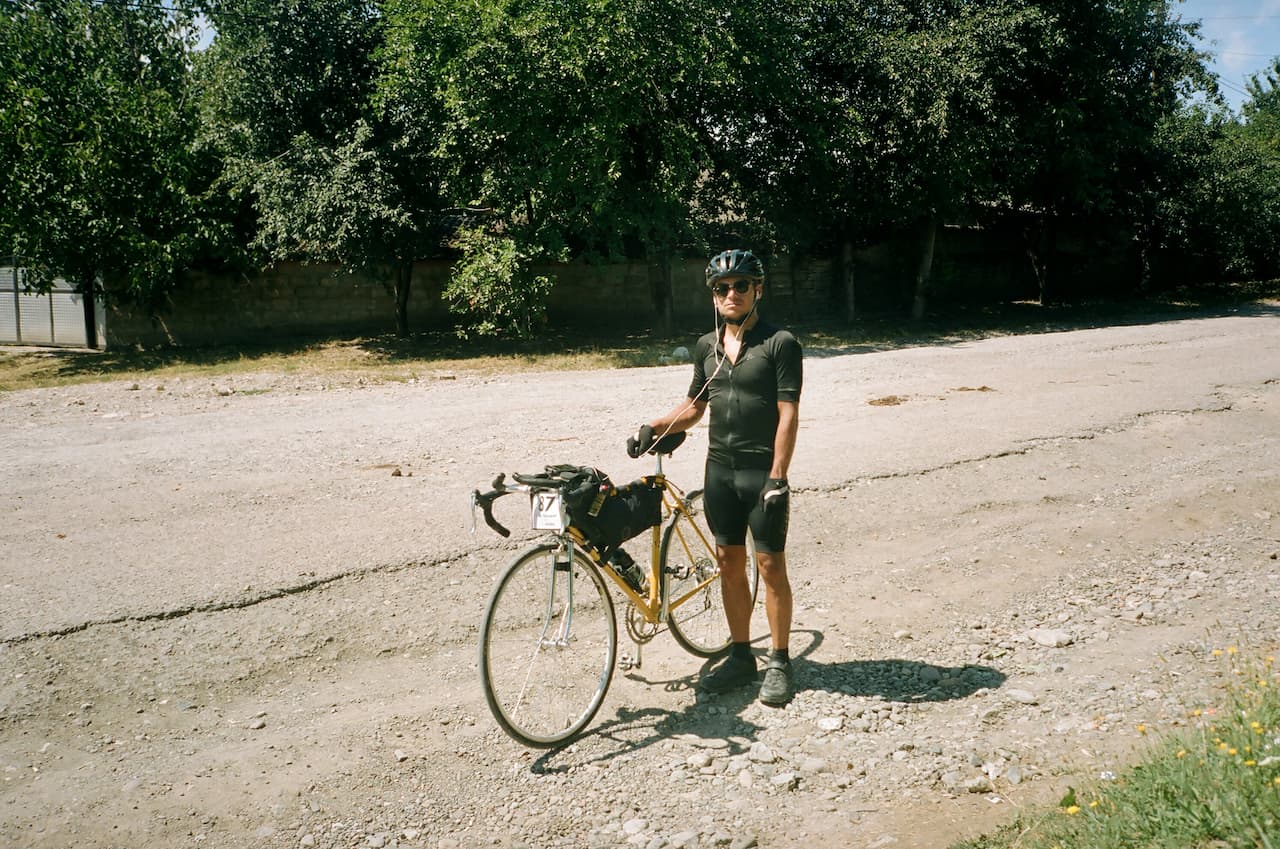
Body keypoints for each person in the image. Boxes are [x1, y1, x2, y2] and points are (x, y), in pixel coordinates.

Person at [627, 248, 802, 706]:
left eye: (741, 285)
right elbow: (695, 406)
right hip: (720, 471)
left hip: (761, 473)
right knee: (728, 563)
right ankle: (742, 655)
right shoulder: (707, 347)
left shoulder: (780, 343)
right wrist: (655, 427)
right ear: (713, 295)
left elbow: (788, 415)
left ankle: (780, 660)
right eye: (722, 288)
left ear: (757, 289)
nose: (731, 294)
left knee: (770, 565)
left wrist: (778, 477)